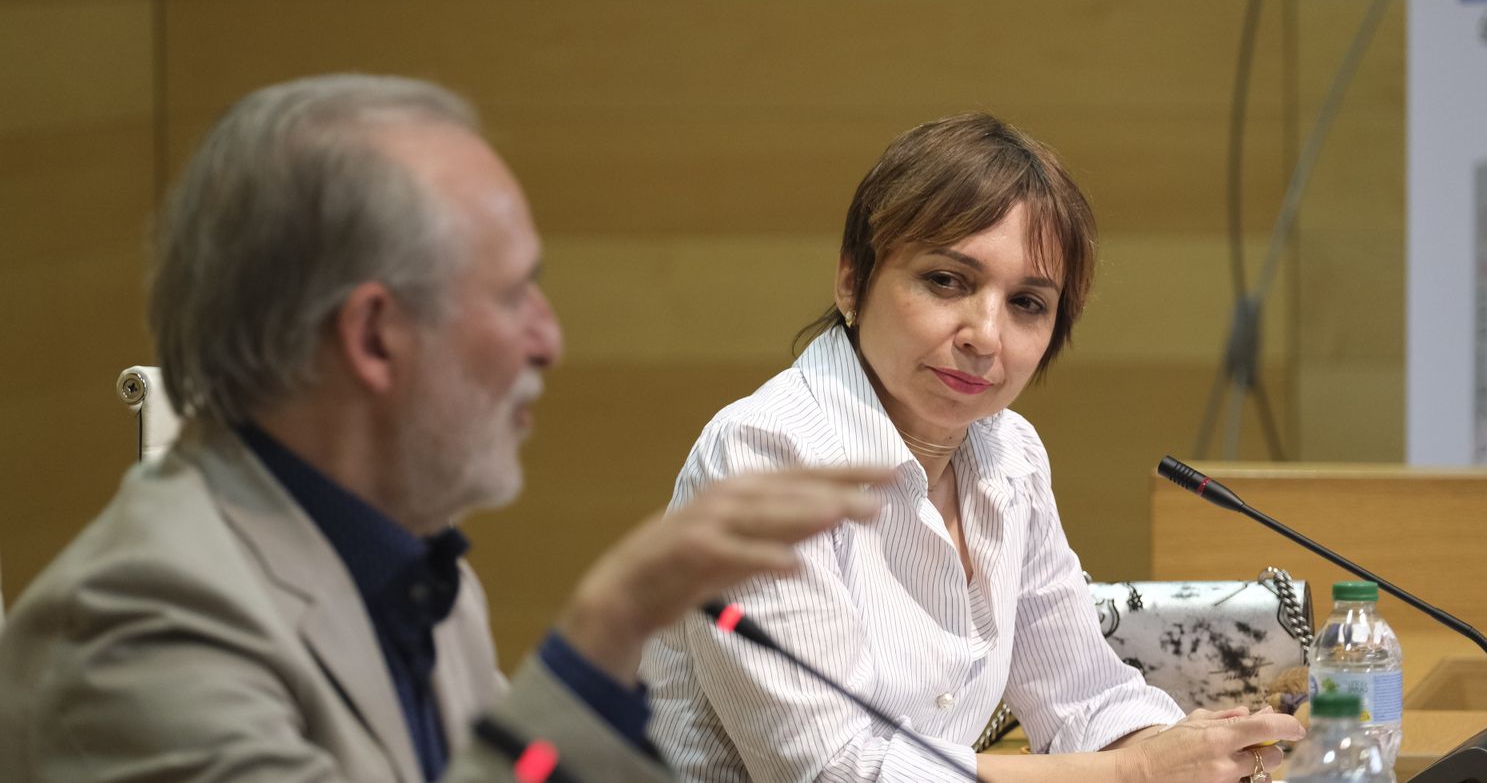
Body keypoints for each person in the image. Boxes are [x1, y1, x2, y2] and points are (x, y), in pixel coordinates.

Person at [0, 74, 889, 783]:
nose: (550, 338)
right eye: (513, 296)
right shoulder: (144, 629)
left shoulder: (417, 566)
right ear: (375, 337)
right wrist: (606, 629)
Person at [640, 113, 1304, 783]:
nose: (985, 335)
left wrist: (1205, 753)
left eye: (1026, 304)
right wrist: (1136, 772)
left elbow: (1084, 695)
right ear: (851, 281)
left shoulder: (1007, 453)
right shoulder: (764, 456)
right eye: (946, 281)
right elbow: (833, 771)